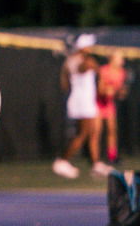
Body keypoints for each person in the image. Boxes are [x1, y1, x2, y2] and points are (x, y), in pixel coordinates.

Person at [52, 34, 108, 179]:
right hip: (81, 102)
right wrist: (95, 68)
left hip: (86, 101)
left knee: (94, 132)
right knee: (82, 134)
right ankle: (62, 161)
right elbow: (87, 68)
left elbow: (65, 84)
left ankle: (96, 164)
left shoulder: (75, 60)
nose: (91, 48)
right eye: (89, 46)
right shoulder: (81, 60)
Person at [96, 47, 128, 164]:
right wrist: (110, 90)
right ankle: (96, 158)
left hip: (108, 104)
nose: (122, 60)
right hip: (98, 103)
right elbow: (101, 90)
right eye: (119, 58)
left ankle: (112, 156)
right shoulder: (103, 70)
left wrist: (119, 93)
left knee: (112, 130)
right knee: (97, 131)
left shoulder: (122, 73)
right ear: (112, 59)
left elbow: (117, 92)